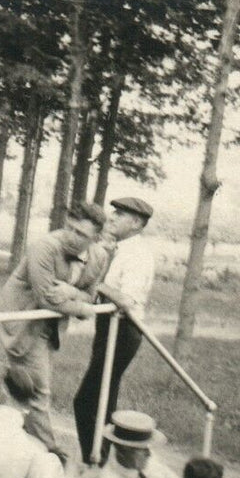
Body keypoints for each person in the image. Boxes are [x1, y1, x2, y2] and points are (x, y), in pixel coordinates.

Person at [0, 202, 110, 452]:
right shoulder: (45, 247)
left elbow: (90, 295)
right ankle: (51, 454)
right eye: (69, 228)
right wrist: (82, 308)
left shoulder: (100, 256)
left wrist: (72, 292)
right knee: (38, 390)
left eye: (81, 234)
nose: (71, 237)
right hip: (24, 320)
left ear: (96, 237)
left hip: (51, 326)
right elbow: (47, 298)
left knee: (20, 387)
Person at [72, 196, 156, 462]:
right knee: (102, 402)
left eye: (120, 215)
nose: (112, 218)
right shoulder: (121, 249)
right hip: (109, 328)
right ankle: (103, 459)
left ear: (135, 223)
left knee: (86, 401)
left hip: (123, 330)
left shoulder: (138, 254)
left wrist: (95, 284)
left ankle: (94, 462)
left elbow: (126, 300)